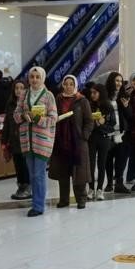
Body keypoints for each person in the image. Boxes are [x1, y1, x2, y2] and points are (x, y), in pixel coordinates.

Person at [15, 66, 57, 216]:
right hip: (27, 141)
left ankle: (38, 206)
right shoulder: (24, 95)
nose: (34, 80)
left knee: (38, 174)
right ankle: (36, 203)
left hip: (42, 141)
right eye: (32, 77)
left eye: (37, 77)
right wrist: (23, 116)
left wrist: (38, 119)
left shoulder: (48, 96)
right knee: (32, 174)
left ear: (42, 78)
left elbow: (53, 118)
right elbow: (16, 114)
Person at [49, 75, 94, 209]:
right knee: (63, 172)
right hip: (62, 140)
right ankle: (64, 199)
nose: (68, 87)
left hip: (77, 142)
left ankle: (81, 198)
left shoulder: (82, 100)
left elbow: (89, 121)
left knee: (78, 173)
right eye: (66, 84)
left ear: (75, 86)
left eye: (71, 84)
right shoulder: (58, 99)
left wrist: (84, 136)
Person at [2, 79, 32, 201]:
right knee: (18, 165)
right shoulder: (10, 104)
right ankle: (21, 186)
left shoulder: (29, 103)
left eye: (21, 88)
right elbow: (7, 123)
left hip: (26, 139)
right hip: (14, 140)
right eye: (16, 88)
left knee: (26, 165)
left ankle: (28, 187)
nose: (18, 90)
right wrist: (4, 140)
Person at [86, 82, 116, 200]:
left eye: (95, 92)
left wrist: (100, 124)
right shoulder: (89, 105)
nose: (92, 95)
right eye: (91, 93)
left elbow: (112, 124)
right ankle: (91, 188)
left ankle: (99, 190)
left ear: (101, 93)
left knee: (102, 164)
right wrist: (96, 123)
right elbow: (86, 123)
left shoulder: (108, 106)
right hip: (92, 138)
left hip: (104, 138)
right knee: (91, 165)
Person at [106, 72, 133, 193]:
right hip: (108, 133)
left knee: (121, 159)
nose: (119, 83)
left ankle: (119, 183)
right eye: (117, 80)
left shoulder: (125, 96)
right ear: (112, 81)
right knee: (108, 159)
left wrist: (126, 106)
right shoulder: (105, 95)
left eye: (121, 81)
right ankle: (109, 183)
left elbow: (130, 116)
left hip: (121, 134)